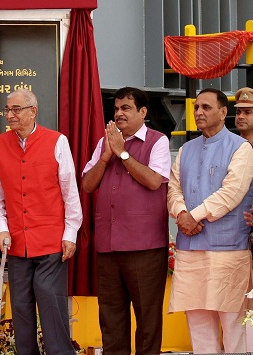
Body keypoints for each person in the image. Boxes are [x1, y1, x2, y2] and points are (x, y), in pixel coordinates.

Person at [0, 88, 82, 355]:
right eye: (7, 109)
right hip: (16, 243)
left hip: (51, 242)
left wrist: (70, 233)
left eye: (16, 109)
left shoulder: (56, 141)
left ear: (33, 111)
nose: (10, 115)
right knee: (21, 312)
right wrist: (1, 227)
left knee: (51, 308)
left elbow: (69, 191)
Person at [82, 87, 171, 355]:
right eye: (117, 108)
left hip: (145, 248)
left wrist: (122, 153)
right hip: (108, 247)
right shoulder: (104, 143)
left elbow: (155, 181)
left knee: (147, 320)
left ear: (143, 112)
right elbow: (87, 185)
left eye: (126, 108)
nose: (119, 113)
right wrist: (108, 154)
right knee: (111, 319)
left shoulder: (158, 141)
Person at [167, 88, 253, 354]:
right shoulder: (186, 149)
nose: (199, 112)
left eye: (206, 107)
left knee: (233, 325)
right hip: (190, 249)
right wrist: (181, 214)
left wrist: (194, 216)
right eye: (196, 108)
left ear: (223, 112)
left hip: (228, 249)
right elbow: (173, 189)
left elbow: (232, 192)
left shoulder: (242, 148)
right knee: (198, 323)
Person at [234, 87, 253, 227]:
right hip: (235, 223)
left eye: (247, 112)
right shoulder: (230, 147)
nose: (240, 116)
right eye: (238, 112)